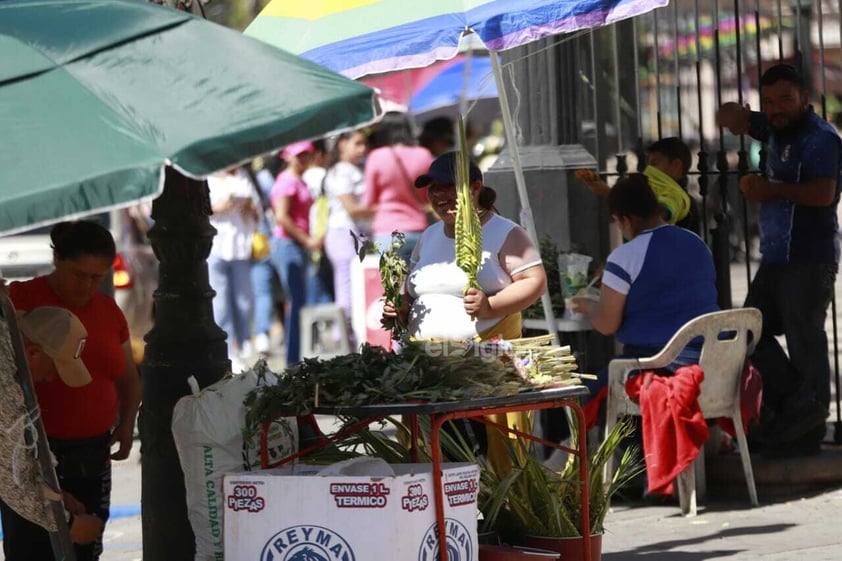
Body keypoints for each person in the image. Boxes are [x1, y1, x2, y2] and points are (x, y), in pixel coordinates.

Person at [384, 151, 546, 470]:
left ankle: (494, 516)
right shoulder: (429, 236)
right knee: (433, 461)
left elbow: (534, 280)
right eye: (434, 189)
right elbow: (414, 291)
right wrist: (400, 306)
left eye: (448, 187)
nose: (440, 196)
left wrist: (491, 305)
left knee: (479, 461)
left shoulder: (504, 231)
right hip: (427, 370)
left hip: (481, 373)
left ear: (474, 187)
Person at [716, 63, 841, 457]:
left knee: (806, 339)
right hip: (775, 256)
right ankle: (801, 408)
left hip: (808, 254)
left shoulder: (821, 138)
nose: (776, 108)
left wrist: (771, 189)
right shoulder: (774, 126)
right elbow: (741, 120)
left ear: (806, 98)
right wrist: (732, 114)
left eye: (785, 99)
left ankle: (809, 426)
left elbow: (824, 193)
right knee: (747, 333)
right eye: (769, 102)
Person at [2, 220, 141, 561]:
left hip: (84, 454)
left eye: (98, 276)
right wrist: (64, 515)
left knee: (83, 547)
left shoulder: (107, 310)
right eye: (81, 274)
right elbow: (16, 478)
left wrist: (125, 421)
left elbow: (126, 376)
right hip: (38, 449)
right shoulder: (7, 398)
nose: (89, 285)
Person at [571, 174, 719, 427]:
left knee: (587, 391)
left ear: (625, 220)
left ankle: (598, 459)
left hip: (661, 365)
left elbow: (607, 325)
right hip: (714, 363)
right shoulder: (697, 243)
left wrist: (588, 305)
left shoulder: (625, 256)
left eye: (618, 222)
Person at [0, 307, 106, 557]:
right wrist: (67, 523)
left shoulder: (10, 344)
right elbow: (11, 477)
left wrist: (57, 494)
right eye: (53, 369)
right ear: (34, 352)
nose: (50, 379)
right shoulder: (5, 385)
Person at [575, 137, 699, 233]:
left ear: (676, 166)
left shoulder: (677, 196)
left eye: (655, 163)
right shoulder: (655, 190)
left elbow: (657, 214)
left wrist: (611, 193)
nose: (649, 169)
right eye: (649, 164)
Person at [272, 141, 323, 365]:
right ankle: (293, 360)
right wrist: (307, 240)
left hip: (295, 245)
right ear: (288, 156)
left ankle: (297, 356)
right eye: (298, 155)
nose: (303, 159)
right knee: (296, 302)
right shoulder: (287, 181)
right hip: (289, 245)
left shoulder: (297, 180)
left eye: (306, 155)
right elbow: (282, 217)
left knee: (300, 302)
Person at [322, 130, 374, 340]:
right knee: (347, 291)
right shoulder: (342, 171)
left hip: (354, 234)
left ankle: (349, 339)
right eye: (357, 143)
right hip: (345, 233)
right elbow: (352, 208)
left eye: (364, 144)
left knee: (354, 289)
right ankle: (343, 340)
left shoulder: (349, 170)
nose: (362, 149)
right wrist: (386, 207)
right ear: (342, 144)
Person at [207, 167, 259, 372]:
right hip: (216, 247)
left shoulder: (243, 177)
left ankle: (244, 344)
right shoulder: (207, 178)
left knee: (244, 301)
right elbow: (202, 211)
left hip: (240, 248)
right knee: (220, 305)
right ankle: (228, 352)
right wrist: (219, 207)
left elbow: (258, 211)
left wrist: (246, 205)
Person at [363, 112, 434, 263]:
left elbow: (369, 201)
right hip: (418, 228)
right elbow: (429, 194)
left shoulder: (376, 156)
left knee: (391, 286)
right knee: (418, 283)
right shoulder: (424, 154)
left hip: (387, 231)